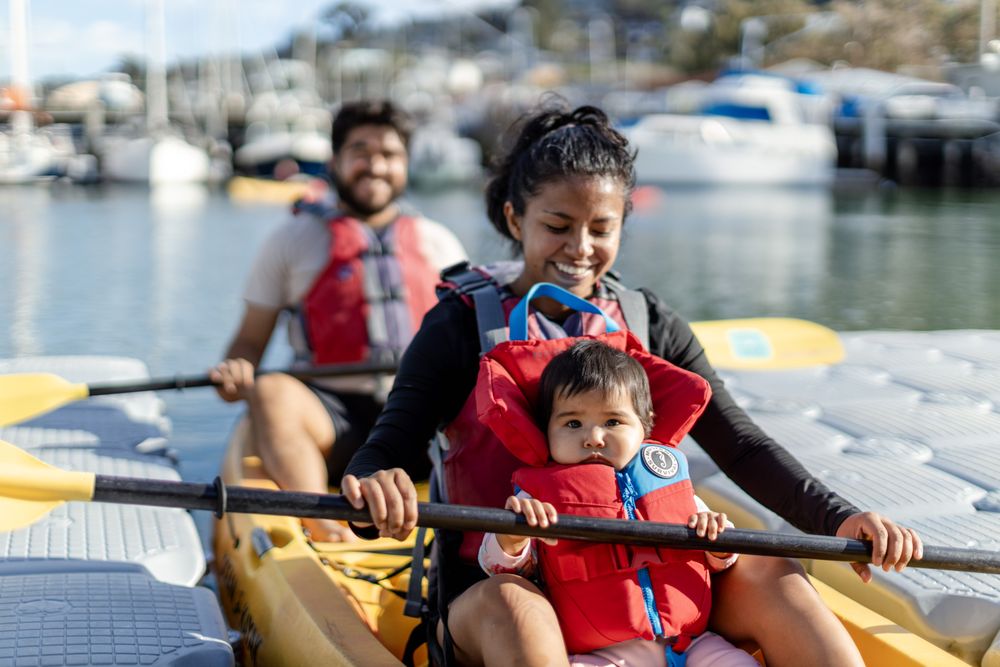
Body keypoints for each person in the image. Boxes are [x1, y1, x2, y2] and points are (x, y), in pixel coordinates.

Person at [341, 103, 922, 666]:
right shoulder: (457, 325)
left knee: (774, 570)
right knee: (517, 609)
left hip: (652, 600)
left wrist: (838, 519)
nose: (580, 249)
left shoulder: (650, 322)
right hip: (505, 588)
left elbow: (741, 445)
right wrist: (374, 489)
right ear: (516, 219)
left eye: (602, 228)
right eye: (557, 226)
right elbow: (389, 445)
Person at [211, 99, 467, 542]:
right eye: (360, 151)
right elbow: (249, 342)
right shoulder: (291, 240)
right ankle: (325, 526)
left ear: (405, 164)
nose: (376, 166)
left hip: (418, 416)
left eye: (389, 154)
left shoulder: (438, 243)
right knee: (271, 390)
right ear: (335, 161)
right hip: (332, 416)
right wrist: (236, 371)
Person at [479, 339, 758, 667]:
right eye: (572, 424)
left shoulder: (670, 483)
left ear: (645, 425)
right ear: (547, 431)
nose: (594, 438)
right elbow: (498, 567)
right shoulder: (536, 499)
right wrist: (512, 537)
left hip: (693, 643)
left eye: (613, 422)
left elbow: (721, 562)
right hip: (598, 655)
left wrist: (719, 542)